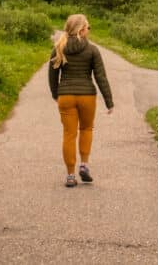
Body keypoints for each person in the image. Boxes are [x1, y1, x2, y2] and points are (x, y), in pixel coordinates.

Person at [48, 14, 114, 187]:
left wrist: (57, 95)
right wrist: (109, 101)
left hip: (66, 97)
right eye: (88, 27)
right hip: (87, 96)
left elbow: (52, 76)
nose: (89, 30)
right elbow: (101, 77)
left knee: (69, 134)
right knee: (86, 129)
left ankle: (70, 176)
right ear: (81, 29)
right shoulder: (92, 50)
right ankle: (84, 165)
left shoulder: (59, 48)